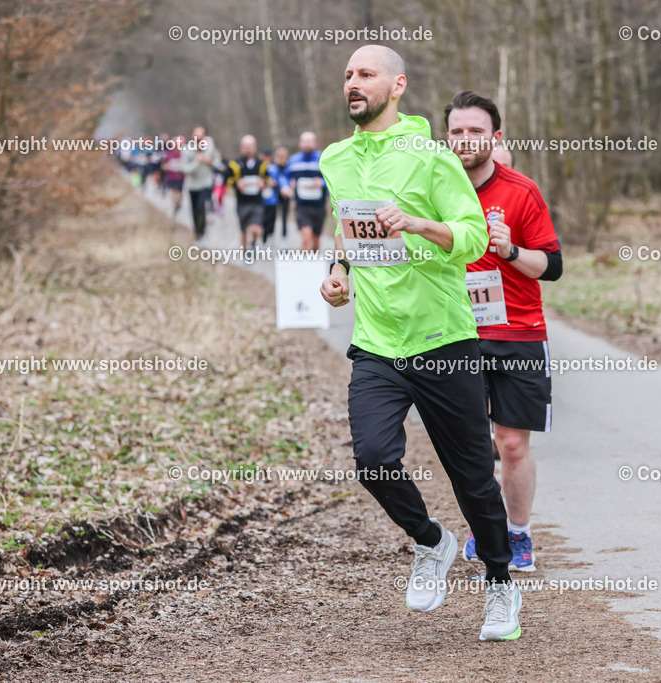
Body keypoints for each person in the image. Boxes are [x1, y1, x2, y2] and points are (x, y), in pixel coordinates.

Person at [319, 45, 521, 642]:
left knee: (472, 480)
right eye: (349, 75)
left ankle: (501, 588)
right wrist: (338, 273)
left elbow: (472, 236)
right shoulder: (336, 158)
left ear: (398, 85)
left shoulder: (433, 158)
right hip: (378, 343)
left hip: (444, 341)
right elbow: (346, 228)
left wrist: (418, 224)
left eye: (366, 74)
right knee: (374, 461)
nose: (353, 83)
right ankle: (432, 541)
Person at [445, 90, 562, 573]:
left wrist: (512, 251)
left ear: (496, 138)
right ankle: (484, 526)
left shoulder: (521, 191)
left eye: (476, 131)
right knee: (471, 444)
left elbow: (551, 267)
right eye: (457, 131)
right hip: (451, 333)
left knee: (511, 443)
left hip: (516, 332)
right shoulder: (430, 189)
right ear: (445, 137)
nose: (465, 139)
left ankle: (517, 534)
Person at [286, 131, 327, 251]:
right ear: (300, 143)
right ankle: (303, 266)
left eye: (310, 141)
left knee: (315, 241)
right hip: (302, 206)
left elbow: (333, 178)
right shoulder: (294, 160)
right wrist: (287, 186)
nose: (307, 144)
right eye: (305, 141)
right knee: (306, 237)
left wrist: (322, 182)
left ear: (315, 143)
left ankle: (313, 264)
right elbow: (285, 177)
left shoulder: (323, 158)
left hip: (319, 206)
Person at [226, 135, 268, 250]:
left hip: (257, 202)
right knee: (244, 230)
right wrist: (237, 184)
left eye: (250, 146)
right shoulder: (234, 164)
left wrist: (263, 183)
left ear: (255, 147)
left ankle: (253, 244)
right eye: (246, 146)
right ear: (241, 148)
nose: (248, 149)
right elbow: (228, 180)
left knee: (256, 229)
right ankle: (245, 251)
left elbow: (269, 180)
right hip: (242, 202)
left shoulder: (262, 164)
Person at [180, 126, 222, 240]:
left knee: (201, 207)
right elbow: (185, 169)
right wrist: (196, 161)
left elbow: (219, 164)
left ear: (204, 137)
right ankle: (197, 233)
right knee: (194, 211)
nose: (198, 138)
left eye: (200, 136)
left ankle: (203, 233)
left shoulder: (210, 149)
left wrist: (210, 161)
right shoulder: (187, 150)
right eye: (196, 136)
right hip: (192, 185)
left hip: (206, 184)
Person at [261, 145, 290, 248]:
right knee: (270, 217)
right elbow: (265, 177)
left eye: (283, 154)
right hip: (273, 195)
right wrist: (268, 182)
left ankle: (284, 240)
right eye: (279, 154)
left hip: (285, 195)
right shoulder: (271, 166)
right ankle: (269, 238)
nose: (281, 156)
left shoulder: (289, 166)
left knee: (284, 217)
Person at [162, 135, 186, 216]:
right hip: (171, 176)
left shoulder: (183, 154)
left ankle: (179, 203)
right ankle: (175, 205)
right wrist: (167, 167)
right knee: (173, 192)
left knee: (180, 192)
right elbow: (163, 165)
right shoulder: (168, 154)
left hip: (181, 176)